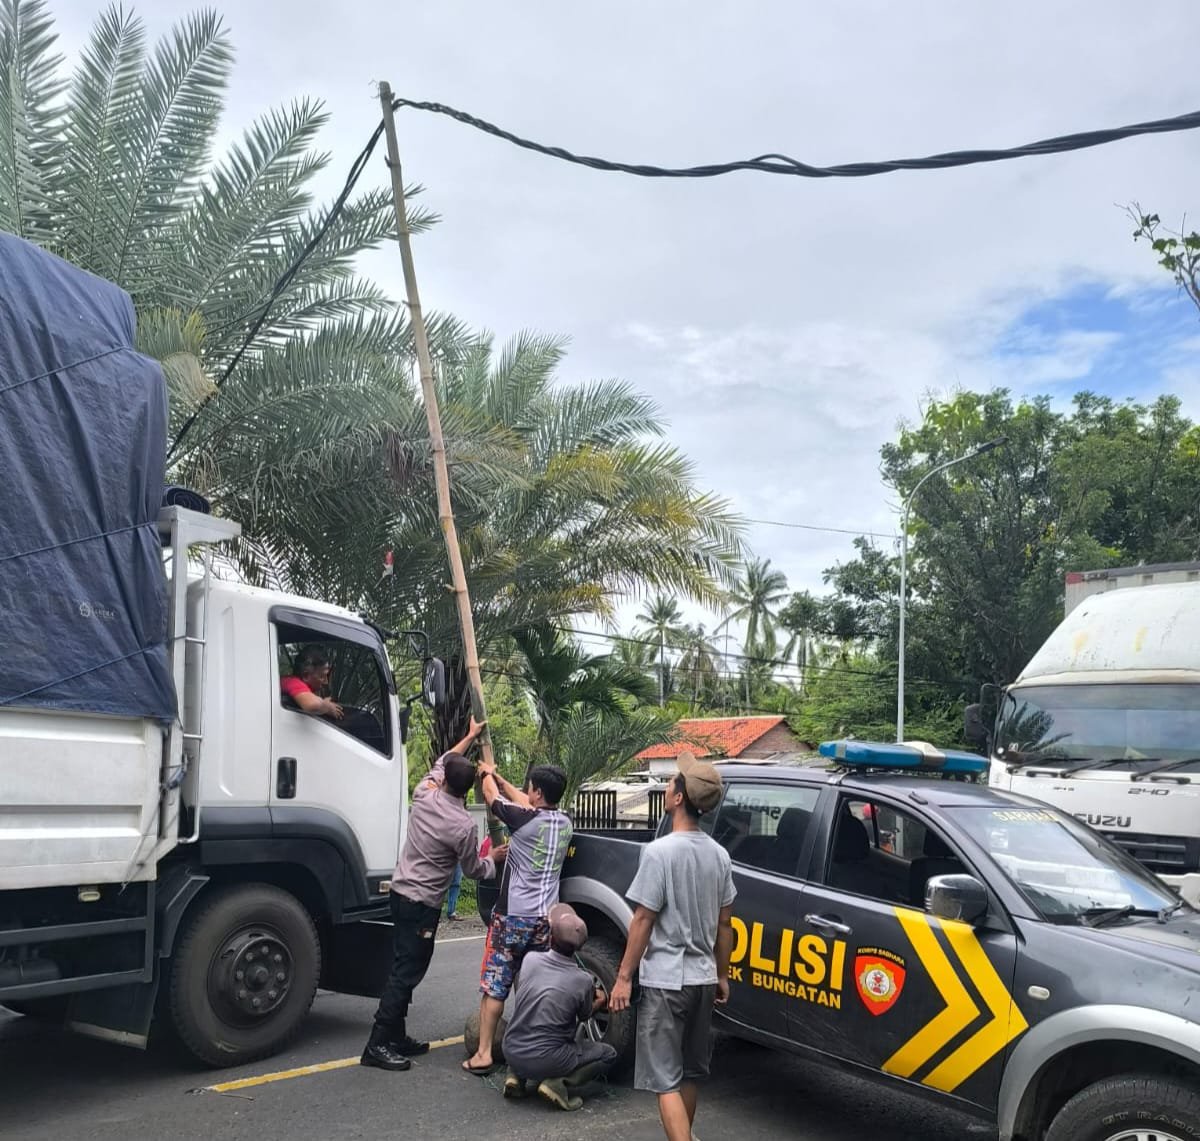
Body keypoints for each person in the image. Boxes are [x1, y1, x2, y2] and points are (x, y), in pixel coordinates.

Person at [361, 718, 505, 1072]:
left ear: (444, 780)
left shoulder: (424, 793)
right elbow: (474, 870)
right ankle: (377, 1044)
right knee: (406, 973)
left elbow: (444, 759)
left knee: (402, 965)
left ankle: (396, 1036)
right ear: (468, 789)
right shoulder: (462, 826)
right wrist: (494, 859)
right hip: (422, 904)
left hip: (400, 894)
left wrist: (468, 736)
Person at [609, 750, 736, 1141]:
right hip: (702, 980)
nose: (666, 785)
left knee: (664, 1079)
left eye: (671, 781)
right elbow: (725, 924)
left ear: (679, 797)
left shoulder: (659, 852)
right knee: (689, 1074)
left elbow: (643, 920)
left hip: (666, 982)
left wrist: (623, 977)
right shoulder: (720, 855)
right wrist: (722, 975)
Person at [462, 759, 572, 1076]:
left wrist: (486, 774)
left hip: (512, 918)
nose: (527, 793)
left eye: (530, 789)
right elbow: (525, 801)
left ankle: (484, 1053)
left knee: (495, 985)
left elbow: (491, 798)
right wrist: (500, 777)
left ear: (537, 792)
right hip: (545, 920)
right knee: (533, 985)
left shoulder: (523, 821)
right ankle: (532, 1048)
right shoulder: (565, 822)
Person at [501, 902, 616, 1111]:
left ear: (551, 938)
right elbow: (584, 1016)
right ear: (580, 948)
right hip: (547, 1060)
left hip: (510, 1050)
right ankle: (559, 1083)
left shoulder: (530, 959)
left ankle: (515, 1075)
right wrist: (599, 1002)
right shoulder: (582, 980)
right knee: (608, 1054)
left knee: (530, 1024)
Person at [280, 644, 343, 720]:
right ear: (306, 675)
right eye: (322, 676)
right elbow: (311, 705)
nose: (326, 682)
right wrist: (326, 707)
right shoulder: (293, 683)